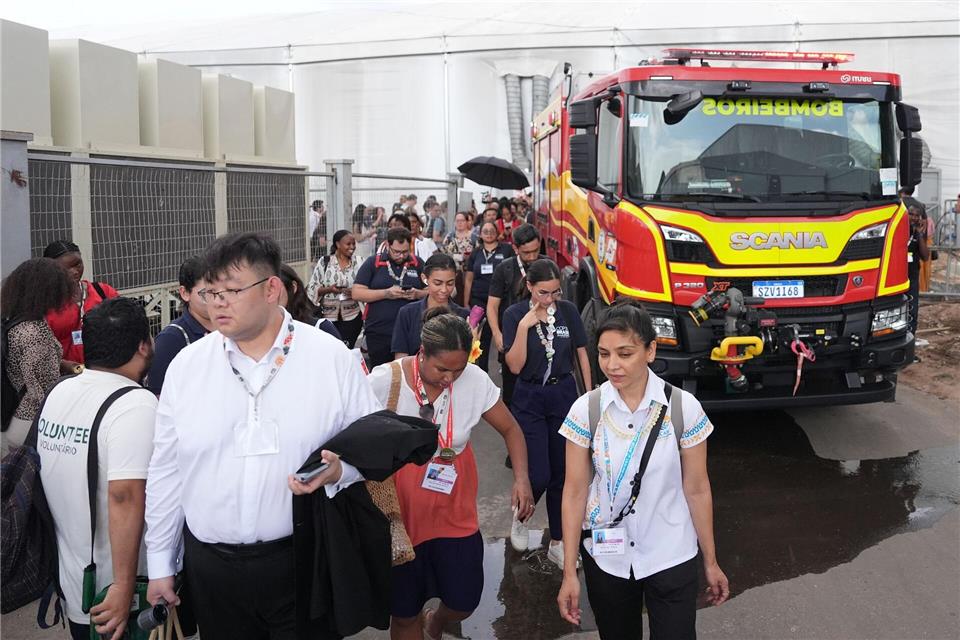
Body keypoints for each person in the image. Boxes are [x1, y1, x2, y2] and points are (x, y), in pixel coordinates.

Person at [145, 232, 381, 640]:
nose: (216, 303)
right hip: (212, 570)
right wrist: (161, 564)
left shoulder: (331, 359)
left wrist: (341, 470)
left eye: (231, 291)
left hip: (303, 560)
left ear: (272, 289)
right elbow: (167, 471)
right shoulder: (188, 366)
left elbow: (373, 445)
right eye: (209, 292)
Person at [556, 301, 729, 638]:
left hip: (671, 555)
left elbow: (697, 488)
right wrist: (569, 573)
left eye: (625, 353)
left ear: (650, 350)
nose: (612, 365)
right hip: (607, 561)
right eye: (604, 354)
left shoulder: (682, 408)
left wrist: (710, 560)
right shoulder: (586, 411)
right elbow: (574, 492)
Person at [367, 308, 534, 640]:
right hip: (400, 513)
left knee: (464, 599)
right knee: (403, 612)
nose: (449, 378)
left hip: (454, 507)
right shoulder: (384, 380)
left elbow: (511, 429)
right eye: (441, 368)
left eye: (457, 370)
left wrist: (522, 478)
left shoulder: (474, 380)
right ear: (422, 353)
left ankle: (439, 621)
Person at [38, 297, 158, 640]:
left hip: (75, 585)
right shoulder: (134, 404)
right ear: (142, 346)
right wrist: (122, 586)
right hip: (117, 595)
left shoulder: (60, 392)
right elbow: (124, 497)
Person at [502, 258, 591, 569]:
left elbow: (581, 353)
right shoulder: (514, 315)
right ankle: (522, 514)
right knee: (538, 472)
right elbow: (514, 366)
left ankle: (558, 540)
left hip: (563, 394)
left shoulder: (566, 311)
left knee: (562, 473)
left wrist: (589, 397)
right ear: (529, 286)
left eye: (555, 292)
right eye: (543, 292)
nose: (550, 299)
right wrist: (527, 325)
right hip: (529, 397)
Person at [0, 257, 72, 454]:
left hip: (12, 419)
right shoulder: (35, 331)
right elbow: (44, 389)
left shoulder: (14, 321)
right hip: (31, 422)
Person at [487, 224, 547, 407]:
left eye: (536, 251)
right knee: (513, 396)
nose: (532, 256)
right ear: (515, 248)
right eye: (526, 252)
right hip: (512, 338)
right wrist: (497, 335)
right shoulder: (504, 269)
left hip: (543, 337)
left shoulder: (547, 265)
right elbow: (492, 306)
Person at [352, 227, 427, 367]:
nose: (401, 256)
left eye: (405, 252)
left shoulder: (417, 264)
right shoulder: (374, 263)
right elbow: (357, 292)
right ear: (387, 245)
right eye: (396, 252)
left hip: (411, 332)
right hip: (380, 332)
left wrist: (417, 293)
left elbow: (432, 289)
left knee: (408, 372)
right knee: (382, 373)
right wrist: (386, 293)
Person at [43, 240, 119, 371]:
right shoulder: (44, 302)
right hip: (64, 378)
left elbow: (127, 326)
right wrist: (64, 365)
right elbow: (38, 350)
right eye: (65, 268)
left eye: (77, 264)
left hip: (104, 373)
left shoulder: (103, 291)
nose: (74, 271)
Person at [145, 256, 214, 396]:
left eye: (223, 291)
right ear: (185, 293)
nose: (217, 299)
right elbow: (159, 396)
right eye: (206, 294)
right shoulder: (171, 340)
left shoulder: (233, 329)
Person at [392, 254, 469, 359]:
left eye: (450, 283)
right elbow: (401, 357)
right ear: (424, 279)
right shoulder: (407, 313)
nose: (444, 289)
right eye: (438, 283)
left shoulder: (464, 316)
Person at [463, 221, 514, 372]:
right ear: (480, 235)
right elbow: (469, 279)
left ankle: (506, 365)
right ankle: (482, 371)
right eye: (485, 231)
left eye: (492, 230)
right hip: (479, 300)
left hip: (502, 300)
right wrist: (466, 302)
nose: (489, 234)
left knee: (505, 333)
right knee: (481, 338)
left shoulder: (506, 249)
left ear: (497, 232)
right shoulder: (476, 253)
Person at [307, 230, 364, 347]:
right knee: (330, 348)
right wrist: (329, 289)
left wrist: (354, 292)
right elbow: (313, 287)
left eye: (354, 244)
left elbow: (366, 286)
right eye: (348, 244)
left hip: (352, 316)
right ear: (338, 244)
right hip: (328, 317)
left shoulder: (359, 262)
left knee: (347, 349)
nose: (352, 247)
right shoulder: (324, 262)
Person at [279, 263, 343, 341]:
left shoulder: (322, 329)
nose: (268, 296)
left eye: (273, 288)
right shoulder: (263, 335)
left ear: (293, 288)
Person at [441, 212, 475, 306]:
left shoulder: (474, 237)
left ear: (467, 222)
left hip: (469, 272)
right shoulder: (449, 236)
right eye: (457, 221)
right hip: (452, 271)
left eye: (462, 220)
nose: (459, 223)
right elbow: (443, 252)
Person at [907, 205, 931, 337]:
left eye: (917, 215)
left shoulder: (918, 233)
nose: (914, 218)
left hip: (912, 277)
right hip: (896, 277)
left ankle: (910, 339)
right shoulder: (899, 230)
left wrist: (920, 234)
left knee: (912, 310)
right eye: (911, 214)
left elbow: (925, 256)